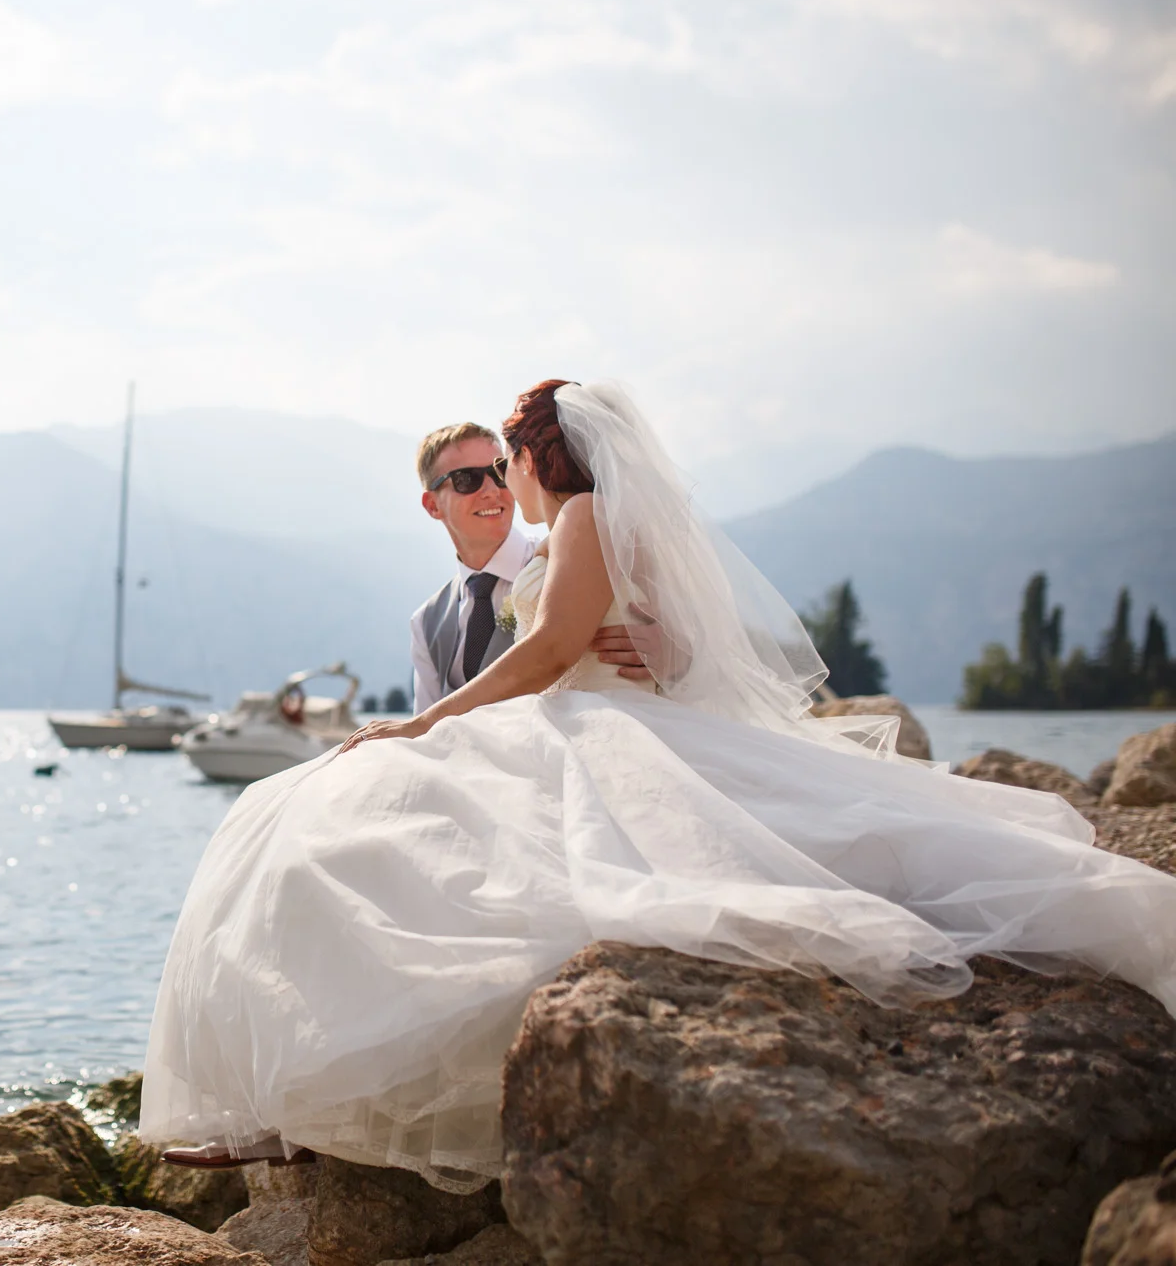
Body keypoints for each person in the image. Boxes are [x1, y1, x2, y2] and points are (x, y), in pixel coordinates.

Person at [143, 380, 1176, 1191]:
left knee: (317, 828)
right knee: (339, 832)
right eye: (475, 475)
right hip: (579, 724)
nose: (502, 481)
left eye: (506, 461)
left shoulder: (584, 519)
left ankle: (299, 1106)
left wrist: (423, 723)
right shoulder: (585, 528)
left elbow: (549, 651)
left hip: (582, 726)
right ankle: (301, 1107)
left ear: (540, 458)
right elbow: (606, 635)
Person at [407, 421, 650, 712]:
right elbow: (421, 725)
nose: (491, 491)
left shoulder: (570, 558)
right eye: (466, 479)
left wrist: (672, 656)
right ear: (432, 505)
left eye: (497, 473)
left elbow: (675, 624)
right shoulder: (425, 621)